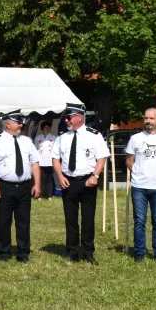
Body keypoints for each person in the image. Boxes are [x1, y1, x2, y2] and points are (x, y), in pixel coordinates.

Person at [0, 109, 41, 262]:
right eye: (18, 122)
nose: (21, 125)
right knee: (4, 221)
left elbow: (35, 163)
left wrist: (37, 184)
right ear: (8, 124)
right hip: (4, 186)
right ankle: (4, 252)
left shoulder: (26, 141)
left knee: (23, 221)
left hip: (24, 186)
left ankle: (23, 253)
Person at [52, 103, 109, 264]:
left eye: (69, 118)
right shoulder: (62, 137)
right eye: (66, 118)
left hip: (87, 181)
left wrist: (95, 176)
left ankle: (88, 252)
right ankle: (72, 251)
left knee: (88, 218)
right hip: (68, 181)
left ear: (79, 117)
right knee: (70, 218)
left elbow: (102, 157)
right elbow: (55, 158)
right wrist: (59, 175)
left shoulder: (94, 135)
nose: (66, 121)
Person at [125, 107, 156, 263]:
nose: (148, 121)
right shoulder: (135, 139)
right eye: (146, 118)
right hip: (139, 186)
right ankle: (139, 252)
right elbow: (129, 160)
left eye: (152, 118)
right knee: (139, 220)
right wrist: (139, 173)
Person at [34, 121, 57, 200]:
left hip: (50, 162)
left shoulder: (54, 138)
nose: (47, 129)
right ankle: (40, 195)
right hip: (40, 162)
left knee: (49, 179)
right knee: (41, 179)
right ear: (42, 129)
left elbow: (56, 150)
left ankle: (49, 195)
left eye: (48, 128)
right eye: (45, 128)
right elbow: (35, 149)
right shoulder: (38, 138)